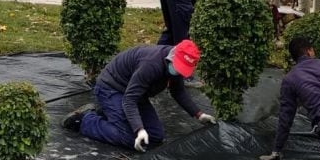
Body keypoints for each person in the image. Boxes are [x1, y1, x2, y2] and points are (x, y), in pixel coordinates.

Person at [62, 41, 216, 152]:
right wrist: (139, 129)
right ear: (173, 55)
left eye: (183, 70)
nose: (178, 72)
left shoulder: (174, 65)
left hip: (136, 94)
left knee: (155, 137)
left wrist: (198, 114)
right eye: (178, 67)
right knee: (128, 137)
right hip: (111, 89)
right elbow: (129, 100)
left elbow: (178, 91)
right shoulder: (151, 64)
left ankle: (107, 112)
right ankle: (85, 120)